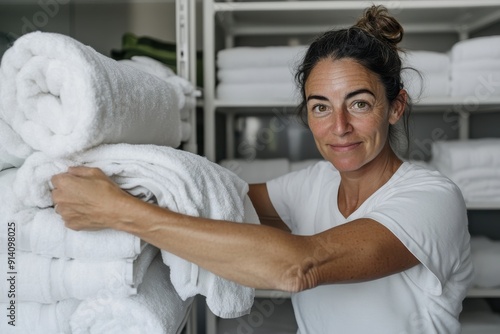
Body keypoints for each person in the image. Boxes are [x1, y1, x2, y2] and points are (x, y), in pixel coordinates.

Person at [50, 5, 473, 334]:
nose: (338, 127)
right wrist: (128, 177)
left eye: (359, 103)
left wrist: (118, 212)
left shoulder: (431, 199)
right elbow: (212, 200)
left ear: (395, 107)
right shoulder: (313, 183)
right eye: (320, 107)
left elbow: (298, 267)